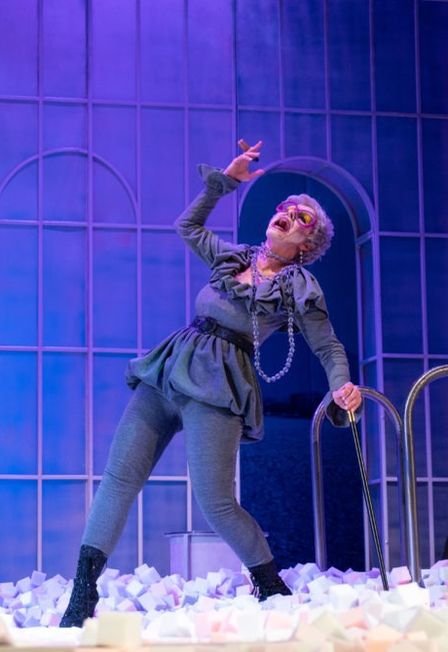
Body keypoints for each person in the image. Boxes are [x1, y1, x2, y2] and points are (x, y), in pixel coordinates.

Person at [60, 140, 362, 627]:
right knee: (119, 478)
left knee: (216, 501)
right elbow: (188, 226)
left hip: (221, 383)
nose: (287, 214)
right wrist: (223, 183)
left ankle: (269, 583)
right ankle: (83, 590)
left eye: (301, 217)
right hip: (173, 366)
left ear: (308, 245)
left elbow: (328, 347)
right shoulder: (235, 258)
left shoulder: (298, 286)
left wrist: (341, 386)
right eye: (286, 208)